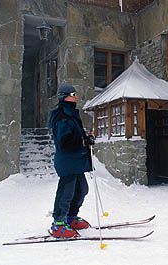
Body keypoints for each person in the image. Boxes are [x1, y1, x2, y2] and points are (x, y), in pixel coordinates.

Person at [48, 83, 95, 238]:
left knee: (82, 190)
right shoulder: (61, 115)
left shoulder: (71, 113)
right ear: (65, 96)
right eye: (73, 94)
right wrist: (82, 141)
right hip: (68, 160)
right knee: (66, 192)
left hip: (76, 160)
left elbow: (75, 135)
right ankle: (58, 223)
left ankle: (70, 217)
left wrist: (86, 138)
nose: (76, 97)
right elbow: (64, 141)